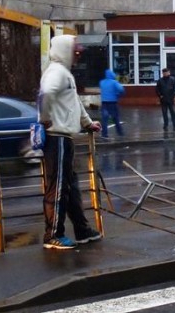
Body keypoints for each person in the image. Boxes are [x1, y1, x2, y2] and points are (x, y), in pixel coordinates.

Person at [38, 34, 103, 249]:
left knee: (70, 187)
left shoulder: (64, 74)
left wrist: (87, 123)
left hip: (64, 138)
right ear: (65, 50)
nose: (78, 53)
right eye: (75, 50)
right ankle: (53, 235)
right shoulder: (57, 72)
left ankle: (82, 230)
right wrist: (45, 119)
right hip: (57, 138)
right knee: (58, 187)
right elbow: (45, 93)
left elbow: (74, 103)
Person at [99, 69, 125, 138]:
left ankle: (104, 134)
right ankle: (120, 133)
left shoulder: (102, 82)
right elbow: (121, 89)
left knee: (104, 119)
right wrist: (118, 94)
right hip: (113, 103)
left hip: (104, 103)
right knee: (115, 118)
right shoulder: (114, 82)